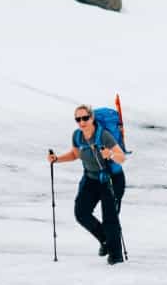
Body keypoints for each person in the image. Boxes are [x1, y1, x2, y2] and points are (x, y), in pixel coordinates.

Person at [46, 103, 126, 264]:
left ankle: (116, 257)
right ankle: (105, 240)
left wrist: (110, 154)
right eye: (78, 119)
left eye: (85, 118)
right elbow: (75, 154)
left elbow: (121, 157)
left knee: (110, 217)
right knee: (81, 212)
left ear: (92, 118)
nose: (82, 122)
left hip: (111, 179)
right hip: (91, 179)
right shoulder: (77, 136)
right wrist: (57, 159)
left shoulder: (103, 135)